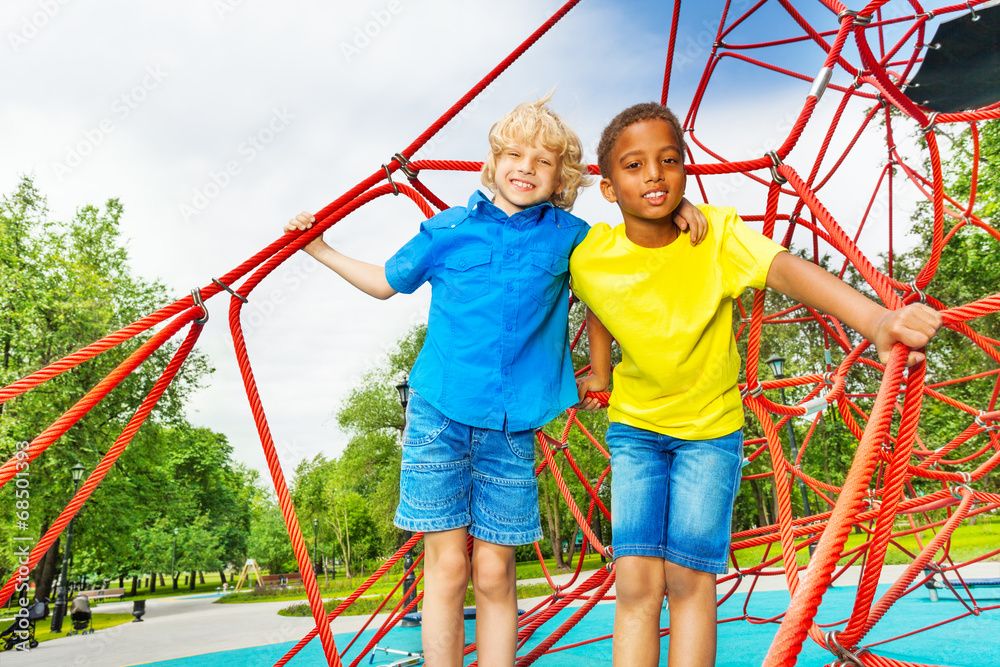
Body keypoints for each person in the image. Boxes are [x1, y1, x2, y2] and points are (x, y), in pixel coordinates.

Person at [284, 96, 708, 665]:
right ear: (492, 161)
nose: (526, 167)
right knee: (449, 563)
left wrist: (673, 214)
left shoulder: (572, 238)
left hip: (512, 424)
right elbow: (386, 283)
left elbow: (620, 271)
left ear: (563, 178)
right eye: (514, 153)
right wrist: (318, 248)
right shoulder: (447, 230)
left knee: (494, 567)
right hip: (439, 411)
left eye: (543, 160)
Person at [571, 102, 942, 667]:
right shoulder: (591, 253)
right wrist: (598, 370)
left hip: (709, 436)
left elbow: (790, 271)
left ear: (686, 170)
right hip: (635, 432)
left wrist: (877, 321)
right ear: (607, 187)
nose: (654, 175)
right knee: (637, 586)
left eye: (669, 160)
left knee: (689, 581)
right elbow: (592, 294)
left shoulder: (715, 236)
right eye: (634, 165)